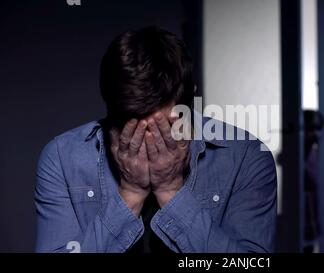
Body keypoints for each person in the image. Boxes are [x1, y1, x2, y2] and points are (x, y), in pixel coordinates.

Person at [35, 26, 277, 253]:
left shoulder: (246, 156)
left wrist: (171, 192)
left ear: (188, 104)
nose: (147, 145)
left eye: (162, 130)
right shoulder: (62, 156)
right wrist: (129, 194)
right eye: (131, 130)